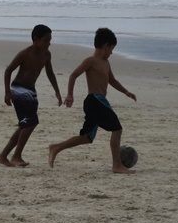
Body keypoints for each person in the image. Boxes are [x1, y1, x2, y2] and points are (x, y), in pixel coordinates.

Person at [48, 27, 137, 174]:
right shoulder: (91, 61)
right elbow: (73, 75)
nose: (112, 52)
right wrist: (70, 95)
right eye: (111, 49)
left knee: (87, 137)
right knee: (117, 129)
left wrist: (126, 92)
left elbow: (112, 80)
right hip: (94, 101)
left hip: (99, 101)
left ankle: (56, 147)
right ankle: (117, 165)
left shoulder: (106, 63)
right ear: (105, 46)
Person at [0, 24, 62, 167]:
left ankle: (3, 156)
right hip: (19, 89)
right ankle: (16, 156)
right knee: (31, 122)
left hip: (31, 91)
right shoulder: (25, 53)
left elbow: (50, 72)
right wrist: (7, 92)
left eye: (50, 39)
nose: (49, 43)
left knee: (25, 125)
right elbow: (8, 71)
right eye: (46, 40)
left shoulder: (46, 54)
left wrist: (57, 91)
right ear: (36, 39)